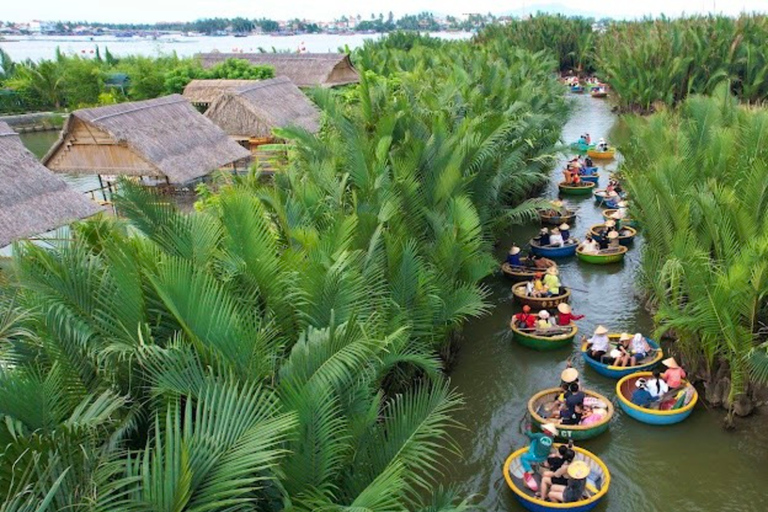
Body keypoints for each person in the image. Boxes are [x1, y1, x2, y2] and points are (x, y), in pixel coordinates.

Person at [520, 423, 558, 491]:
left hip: (537, 456)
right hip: (544, 457)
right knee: (535, 440)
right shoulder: (552, 439)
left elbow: (530, 435)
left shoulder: (539, 435)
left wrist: (528, 430)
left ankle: (529, 470)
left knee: (523, 457)